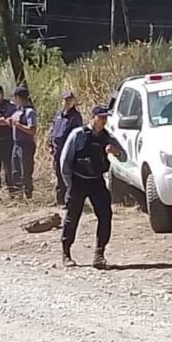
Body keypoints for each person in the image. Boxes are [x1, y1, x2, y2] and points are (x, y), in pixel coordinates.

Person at [59, 105, 126, 269]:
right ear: (93, 117)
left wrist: (115, 152)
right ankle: (66, 253)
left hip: (96, 181)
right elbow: (65, 162)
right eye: (101, 117)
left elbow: (124, 156)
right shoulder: (78, 135)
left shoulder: (107, 137)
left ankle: (99, 255)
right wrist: (70, 185)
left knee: (105, 215)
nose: (103, 121)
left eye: (105, 118)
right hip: (78, 181)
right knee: (72, 218)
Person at [49, 91, 83, 206]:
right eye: (66, 100)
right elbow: (52, 131)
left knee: (67, 176)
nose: (68, 102)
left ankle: (69, 201)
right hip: (57, 151)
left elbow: (77, 135)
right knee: (59, 175)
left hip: (68, 152)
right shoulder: (58, 115)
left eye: (70, 100)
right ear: (62, 101)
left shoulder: (75, 117)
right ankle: (59, 201)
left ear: (73, 101)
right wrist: (50, 145)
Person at [10, 86, 37, 199]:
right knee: (15, 171)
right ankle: (18, 196)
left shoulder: (30, 112)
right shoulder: (17, 111)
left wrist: (18, 125)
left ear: (19, 97)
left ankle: (28, 196)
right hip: (16, 144)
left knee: (25, 171)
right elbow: (11, 122)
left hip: (25, 145)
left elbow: (32, 130)